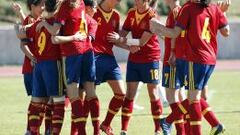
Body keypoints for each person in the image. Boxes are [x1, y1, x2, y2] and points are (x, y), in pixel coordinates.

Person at [150, 0, 230, 134]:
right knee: (195, 97)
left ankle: (170, 122)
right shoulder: (214, 7)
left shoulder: (188, 8)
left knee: (193, 99)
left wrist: (157, 26)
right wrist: (224, 12)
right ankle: (214, 124)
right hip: (210, 59)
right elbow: (226, 32)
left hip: (195, 58)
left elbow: (175, 33)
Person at [37, 0, 100, 134]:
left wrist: (43, 23)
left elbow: (54, 32)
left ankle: (82, 132)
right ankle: (96, 131)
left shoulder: (65, 6)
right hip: (88, 50)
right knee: (91, 93)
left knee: (73, 94)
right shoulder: (81, 2)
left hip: (73, 52)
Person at [107, 0, 163, 134]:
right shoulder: (132, 13)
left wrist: (121, 40)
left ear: (146, 1)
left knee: (153, 94)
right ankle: (124, 130)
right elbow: (123, 33)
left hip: (151, 59)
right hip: (134, 59)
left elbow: (141, 42)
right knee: (129, 95)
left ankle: (158, 129)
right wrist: (115, 37)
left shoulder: (152, 16)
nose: (135, 1)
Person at [91, 0, 126, 134]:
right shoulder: (93, 11)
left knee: (121, 93)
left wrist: (129, 46)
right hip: (93, 56)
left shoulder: (116, 15)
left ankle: (106, 124)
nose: (118, 2)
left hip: (109, 58)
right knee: (89, 95)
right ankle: (92, 129)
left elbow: (115, 40)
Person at [12, 0, 45, 134]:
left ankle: (34, 130)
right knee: (36, 101)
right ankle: (30, 130)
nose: (43, 7)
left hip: (41, 67)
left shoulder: (41, 19)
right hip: (31, 68)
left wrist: (20, 12)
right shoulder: (30, 21)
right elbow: (23, 44)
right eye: (41, 5)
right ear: (33, 6)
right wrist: (32, 57)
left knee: (43, 102)